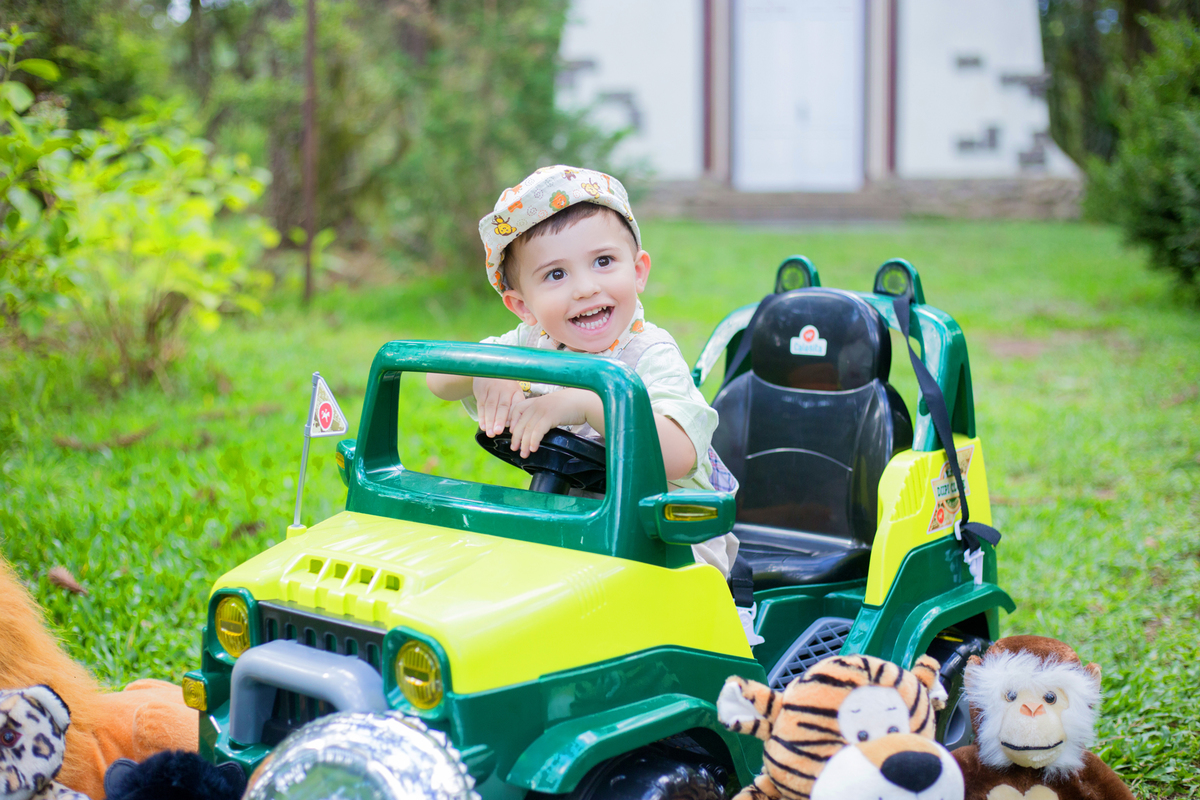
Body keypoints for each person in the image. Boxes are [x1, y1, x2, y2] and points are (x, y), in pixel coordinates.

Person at [426, 165, 738, 576]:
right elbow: (438, 380)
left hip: (672, 536)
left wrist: (589, 404)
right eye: (556, 274)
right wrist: (489, 370)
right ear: (522, 305)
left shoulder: (649, 354)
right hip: (574, 522)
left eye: (604, 261)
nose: (586, 287)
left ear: (638, 270)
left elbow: (677, 456)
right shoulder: (533, 343)